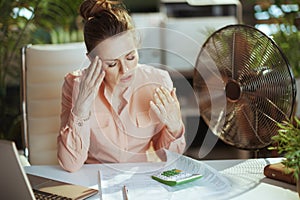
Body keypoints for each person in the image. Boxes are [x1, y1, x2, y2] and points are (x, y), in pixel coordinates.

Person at [57, 0, 186, 172]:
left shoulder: (158, 80)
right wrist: (81, 107)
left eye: (130, 57)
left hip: (140, 180)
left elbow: (169, 159)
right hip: (94, 179)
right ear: (91, 59)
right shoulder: (74, 85)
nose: (125, 70)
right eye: (111, 64)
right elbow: (71, 164)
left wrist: (175, 127)